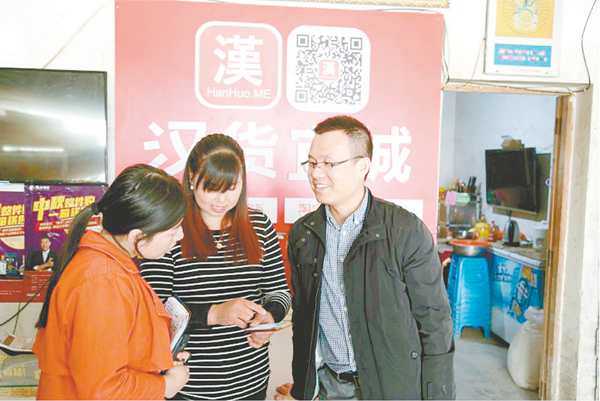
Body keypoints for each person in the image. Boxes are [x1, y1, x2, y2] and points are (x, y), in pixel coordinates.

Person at [277, 115, 455, 400]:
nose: (316, 173)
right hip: (330, 386)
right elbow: (304, 320)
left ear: (362, 166)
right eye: (311, 163)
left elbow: (434, 321)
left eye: (329, 163)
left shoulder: (404, 230)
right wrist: (302, 389)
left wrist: (438, 395)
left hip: (391, 387)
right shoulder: (303, 234)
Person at [141, 134, 291, 400]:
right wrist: (215, 313)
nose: (222, 199)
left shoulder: (259, 225)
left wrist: (269, 317)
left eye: (232, 188)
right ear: (191, 179)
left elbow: (278, 290)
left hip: (250, 380)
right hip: (187, 385)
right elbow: (153, 309)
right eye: (211, 188)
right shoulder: (170, 229)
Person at [33, 164, 190, 400]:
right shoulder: (104, 282)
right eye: (173, 230)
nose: (181, 236)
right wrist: (165, 385)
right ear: (137, 236)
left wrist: (160, 358)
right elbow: (104, 389)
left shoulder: (109, 264)